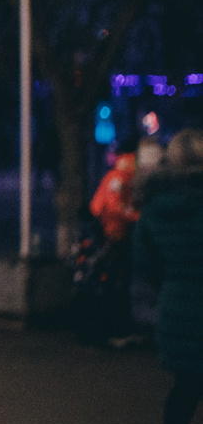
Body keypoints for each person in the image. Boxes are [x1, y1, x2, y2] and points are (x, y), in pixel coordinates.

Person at [136, 129, 203, 424]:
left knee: (185, 387)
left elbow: (145, 262)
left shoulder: (154, 207)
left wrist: (171, 287)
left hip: (176, 307)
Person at [79, 146, 143, 346]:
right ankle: (116, 331)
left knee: (114, 282)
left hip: (111, 235)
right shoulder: (120, 177)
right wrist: (138, 217)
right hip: (114, 236)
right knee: (116, 282)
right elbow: (116, 207)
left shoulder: (117, 176)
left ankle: (114, 329)